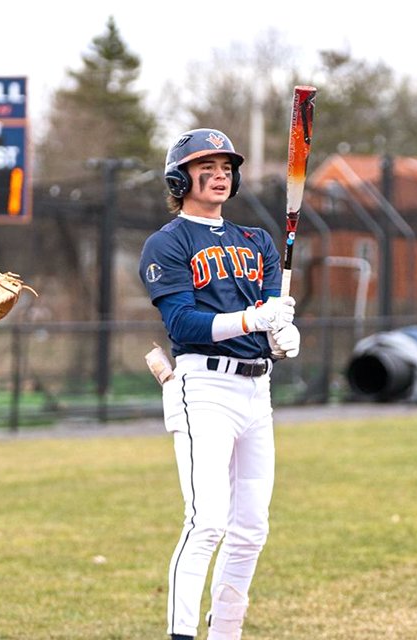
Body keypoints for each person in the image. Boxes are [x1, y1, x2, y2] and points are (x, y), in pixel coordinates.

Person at [138, 128, 300, 640]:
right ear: (178, 176)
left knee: (252, 528)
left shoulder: (258, 241)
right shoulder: (167, 241)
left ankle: (225, 633)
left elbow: (270, 316)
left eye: (227, 166)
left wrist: (282, 332)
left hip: (258, 392)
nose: (220, 173)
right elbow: (183, 325)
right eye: (206, 165)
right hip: (203, 389)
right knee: (207, 521)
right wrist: (253, 321)